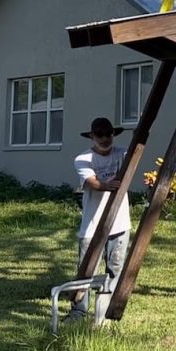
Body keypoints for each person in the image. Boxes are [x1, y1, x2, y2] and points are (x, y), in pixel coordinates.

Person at [68, 117, 130, 321]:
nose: (105, 138)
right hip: (92, 224)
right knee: (86, 268)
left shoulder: (122, 154)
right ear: (92, 136)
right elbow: (93, 182)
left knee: (116, 267)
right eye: (100, 134)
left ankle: (107, 309)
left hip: (119, 222)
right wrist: (108, 185)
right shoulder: (83, 159)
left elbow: (135, 156)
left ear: (114, 134)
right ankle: (79, 310)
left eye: (108, 134)